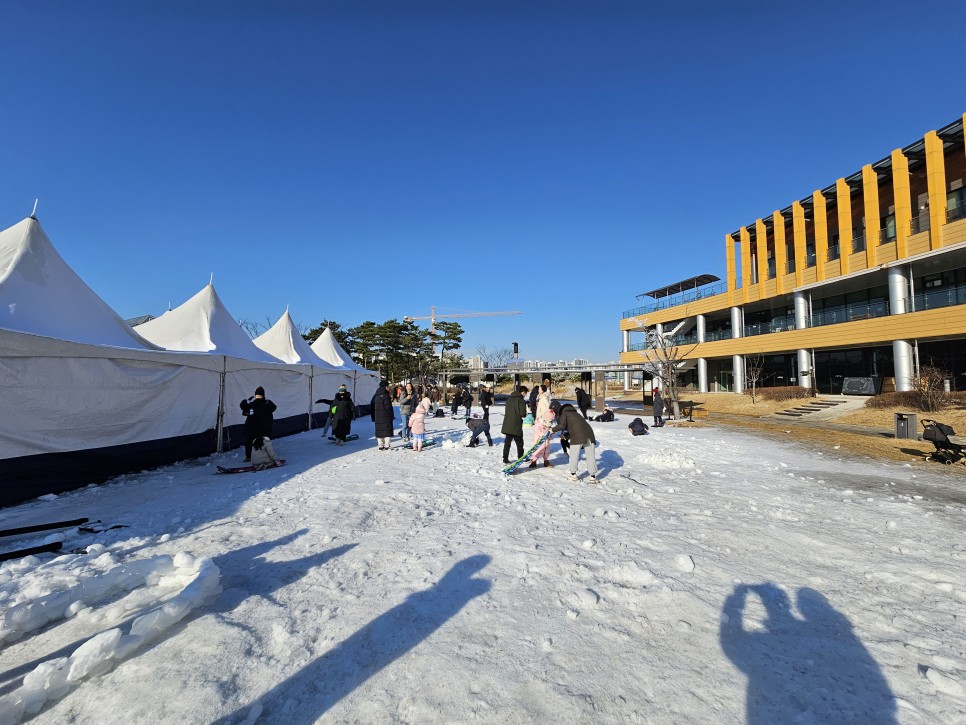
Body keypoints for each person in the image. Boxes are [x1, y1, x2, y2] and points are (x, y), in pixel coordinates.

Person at [550, 400, 598, 483]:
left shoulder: (565, 413)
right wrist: (566, 436)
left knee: (573, 455)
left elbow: (562, 425)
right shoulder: (575, 414)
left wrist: (552, 430)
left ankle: (573, 475)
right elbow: (575, 427)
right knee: (590, 455)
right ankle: (593, 477)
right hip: (590, 434)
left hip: (577, 436)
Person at [240, 386, 276, 462]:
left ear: (263, 396)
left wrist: (268, 402)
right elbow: (243, 408)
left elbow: (274, 407)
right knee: (249, 441)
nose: (258, 397)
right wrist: (246, 401)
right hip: (252, 428)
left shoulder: (266, 404)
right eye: (257, 396)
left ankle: (265, 456)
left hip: (263, 428)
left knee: (263, 442)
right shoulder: (252, 404)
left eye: (260, 395)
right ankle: (248, 456)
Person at [528, 385, 555, 468]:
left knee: (544, 442)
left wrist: (544, 420)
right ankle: (535, 460)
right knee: (539, 442)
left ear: (543, 390)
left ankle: (542, 460)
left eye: (539, 389)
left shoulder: (544, 398)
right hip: (539, 422)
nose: (538, 390)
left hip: (542, 423)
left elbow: (548, 411)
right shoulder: (540, 397)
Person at [501, 385, 529, 464]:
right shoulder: (521, 400)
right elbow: (522, 414)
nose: (526, 395)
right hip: (516, 424)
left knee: (507, 443)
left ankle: (505, 458)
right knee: (519, 443)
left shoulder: (509, 399)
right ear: (522, 392)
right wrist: (525, 413)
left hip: (507, 423)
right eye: (525, 393)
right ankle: (520, 457)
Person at [371, 379, 394, 450]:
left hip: (378, 416)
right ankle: (387, 445)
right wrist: (391, 415)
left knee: (379, 430)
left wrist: (373, 416)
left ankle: (380, 445)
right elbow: (388, 407)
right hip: (386, 416)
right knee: (387, 430)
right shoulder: (386, 395)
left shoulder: (376, 395)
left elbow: (372, 405)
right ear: (386, 386)